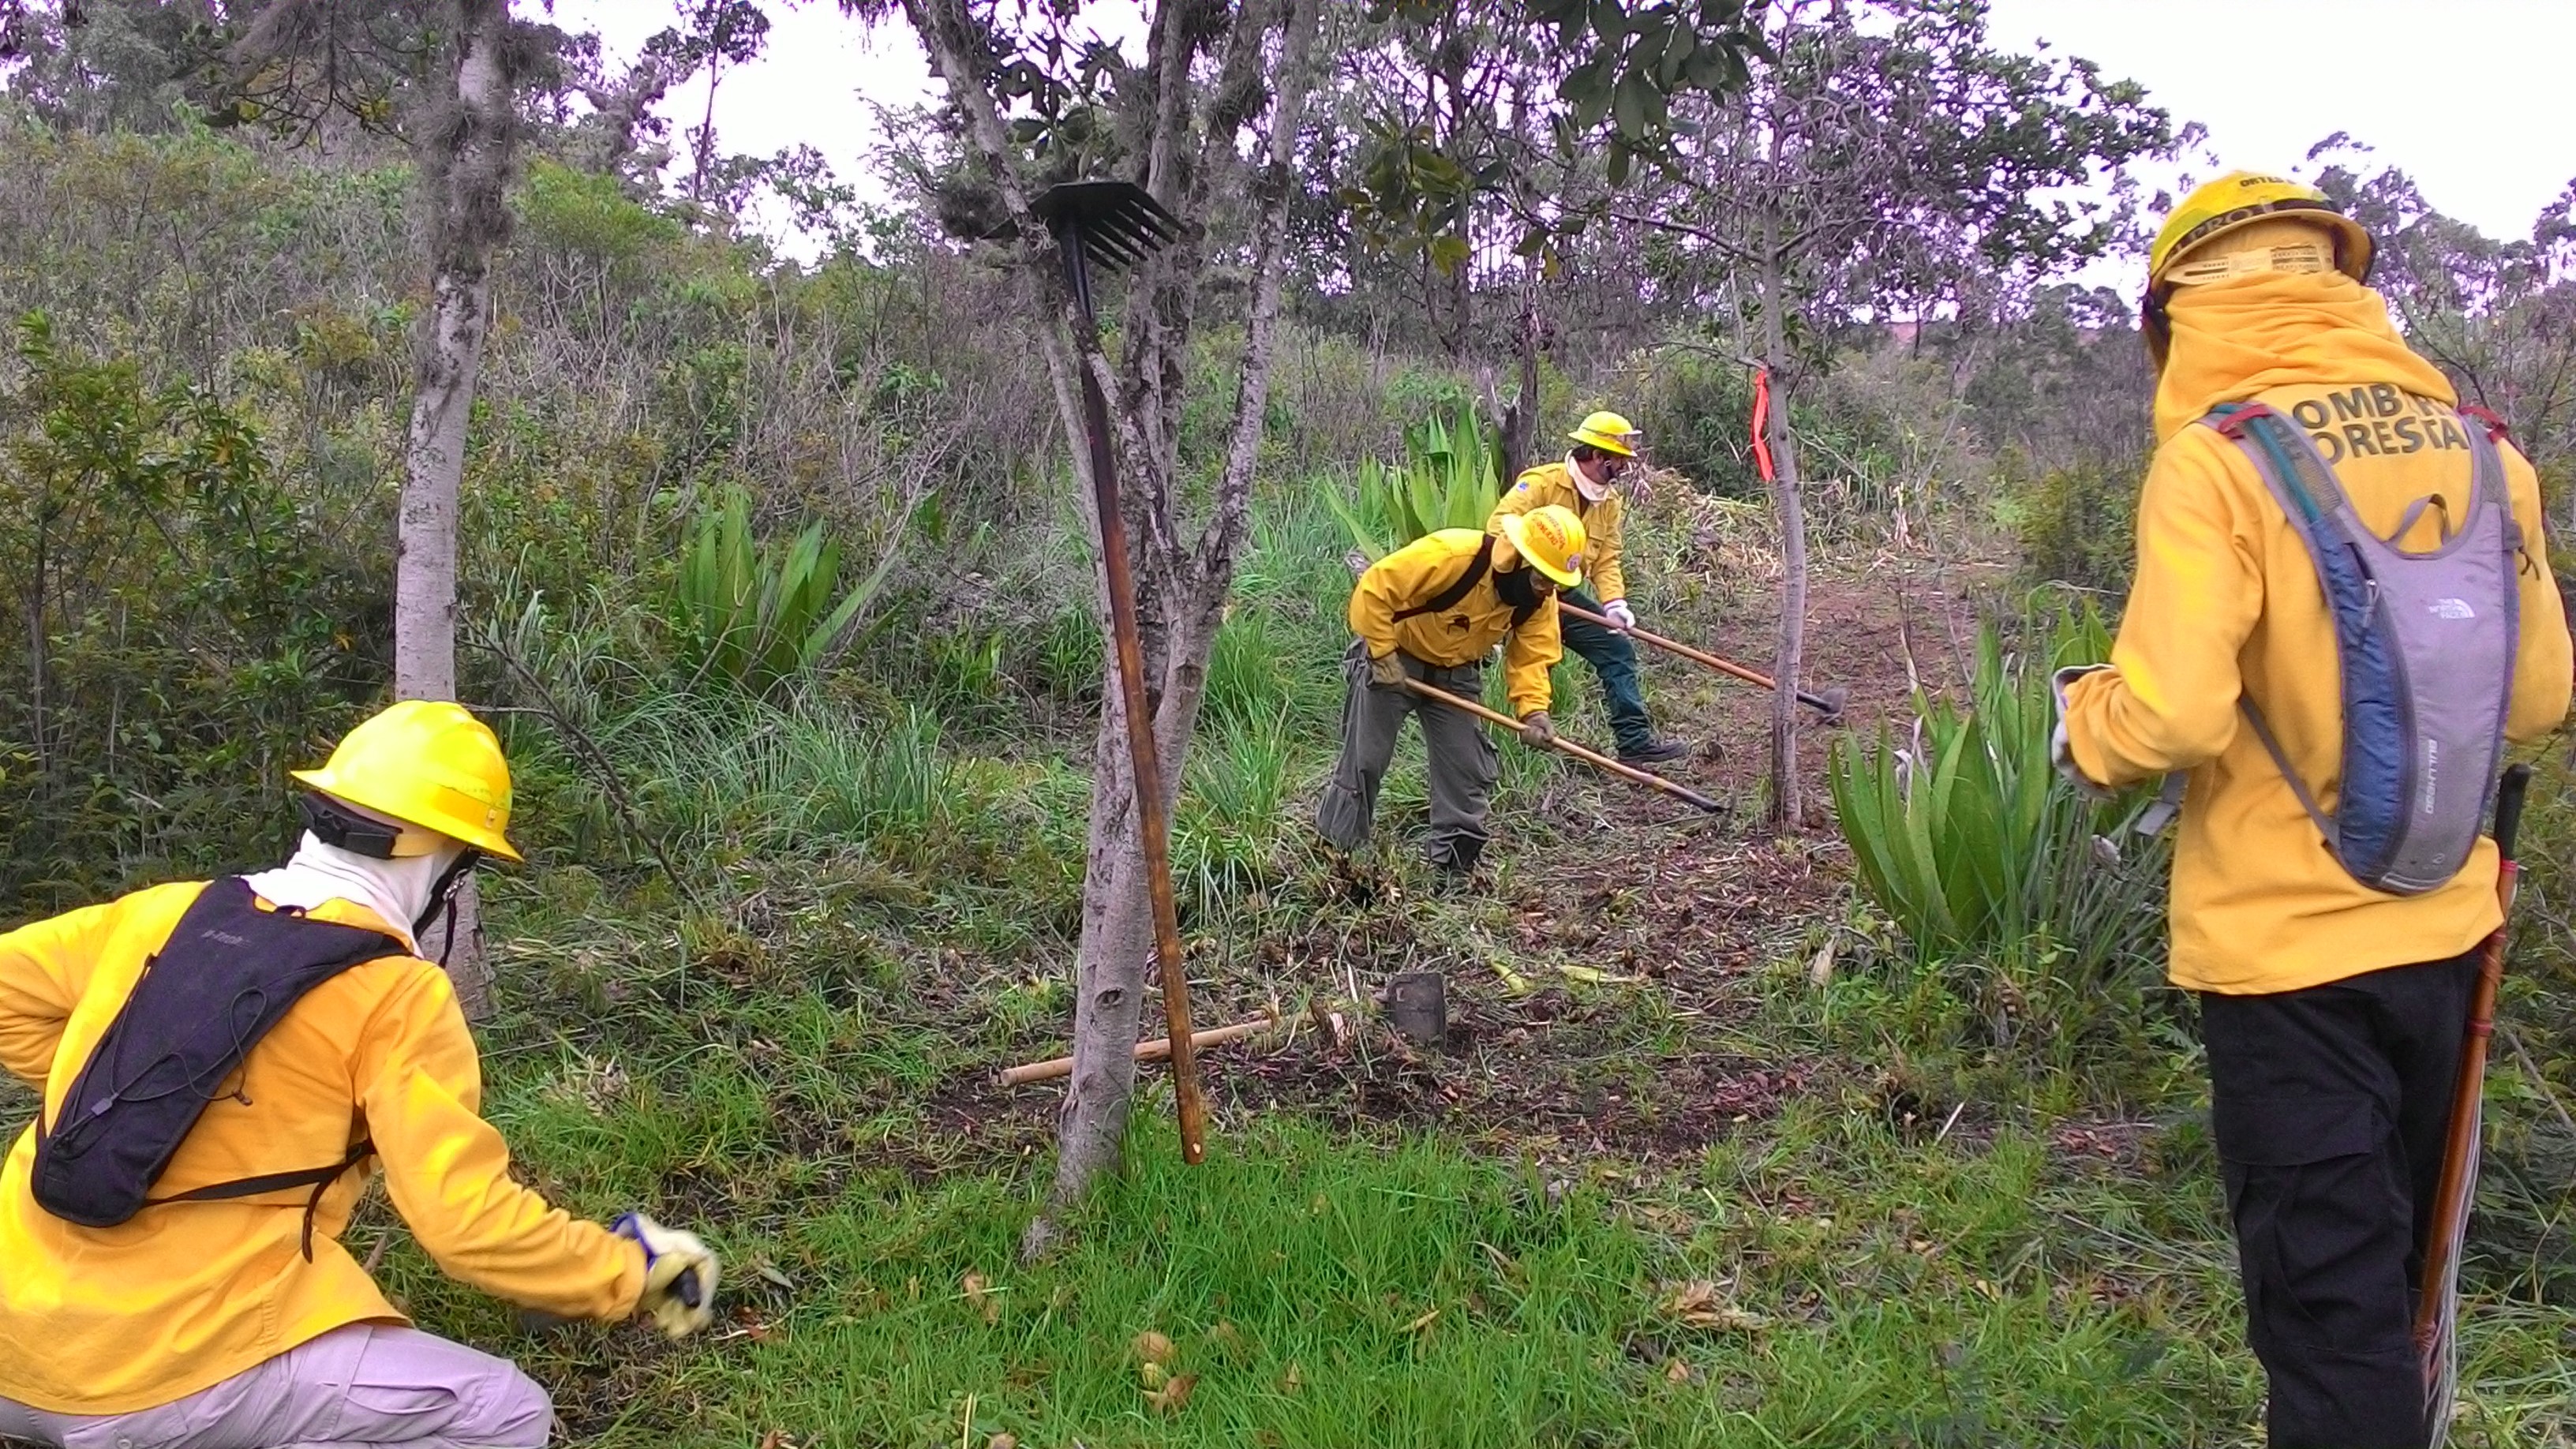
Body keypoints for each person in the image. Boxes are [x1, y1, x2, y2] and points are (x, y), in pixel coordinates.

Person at [2054, 172, 2572, 1449]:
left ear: (2175, 313)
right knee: (2399, 1277)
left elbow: (2167, 720)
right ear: (2339, 286)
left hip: (2282, 962)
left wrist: (2081, 725)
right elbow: (2539, 695)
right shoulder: (2483, 447)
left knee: (2322, 1312)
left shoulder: (2214, 464)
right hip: (2445, 930)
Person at [0, 700, 721, 1449]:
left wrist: (134, 1094)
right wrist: (627, 1272)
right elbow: (467, 1227)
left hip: (11, 1341)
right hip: (159, 1380)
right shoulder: (396, 994)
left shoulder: (162, 913)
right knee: (502, 1414)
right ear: (449, 861)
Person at [1317, 504, 1586, 875]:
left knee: (1465, 770)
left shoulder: (1538, 600)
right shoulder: (1452, 555)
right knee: (1365, 759)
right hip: (1397, 659)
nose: (1549, 589)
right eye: (1543, 579)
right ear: (1519, 560)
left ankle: (1452, 871)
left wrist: (1534, 710)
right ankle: (1339, 855)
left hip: (1457, 674)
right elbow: (1376, 588)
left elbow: (1532, 658)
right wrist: (1381, 654)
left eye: (1555, 582)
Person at [1488, 410, 1688, 765]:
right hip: (1514, 590)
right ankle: (1521, 753)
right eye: (1620, 461)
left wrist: (1615, 603)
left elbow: (1607, 556)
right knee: (1535, 662)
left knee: (1617, 650)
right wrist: (1528, 578)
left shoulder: (1608, 502)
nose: (1625, 468)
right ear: (1598, 456)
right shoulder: (1541, 484)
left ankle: (1634, 743)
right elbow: (1498, 528)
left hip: (1559, 594)